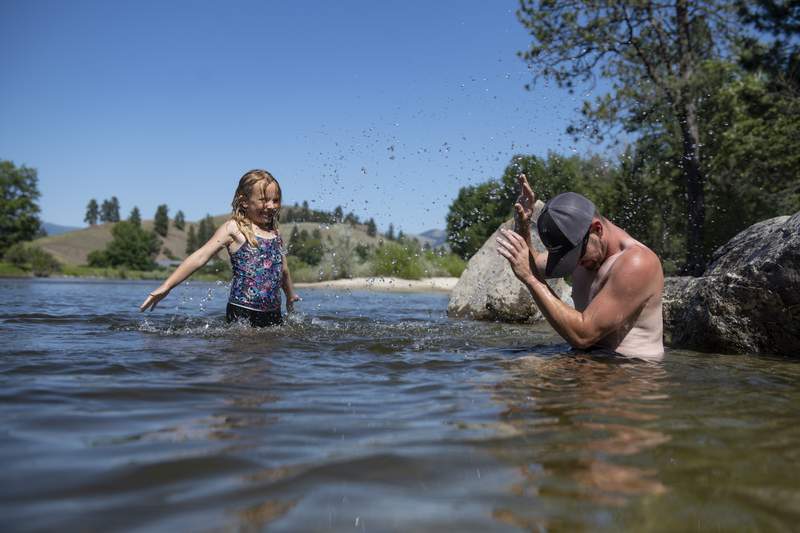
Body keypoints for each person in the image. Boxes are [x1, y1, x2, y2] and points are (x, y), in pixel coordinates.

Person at [496, 174, 664, 359]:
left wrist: (531, 279)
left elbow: (584, 335)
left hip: (628, 371)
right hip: (589, 361)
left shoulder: (636, 262)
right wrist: (523, 225)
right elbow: (533, 264)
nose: (575, 265)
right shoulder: (584, 247)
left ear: (597, 229)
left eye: (576, 256)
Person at [140, 169, 300, 327]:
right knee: (247, 351)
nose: (271, 206)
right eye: (264, 200)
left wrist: (290, 293)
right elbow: (200, 257)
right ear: (244, 201)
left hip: (274, 312)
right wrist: (167, 286)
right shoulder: (234, 228)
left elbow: (282, 268)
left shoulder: (275, 232)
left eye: (276, 200)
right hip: (243, 311)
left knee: (272, 350)